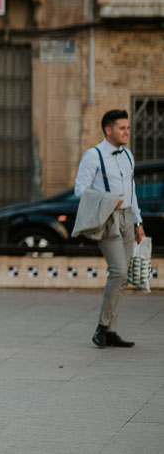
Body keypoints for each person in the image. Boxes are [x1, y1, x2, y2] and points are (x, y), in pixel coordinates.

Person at [75, 109, 145, 349]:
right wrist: (107, 199)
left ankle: (111, 331)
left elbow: (132, 190)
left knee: (122, 277)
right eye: (122, 128)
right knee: (119, 270)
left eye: (127, 127)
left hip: (127, 219)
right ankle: (102, 327)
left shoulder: (128, 155)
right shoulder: (93, 156)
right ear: (108, 130)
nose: (127, 131)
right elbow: (80, 189)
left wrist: (138, 222)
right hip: (108, 219)